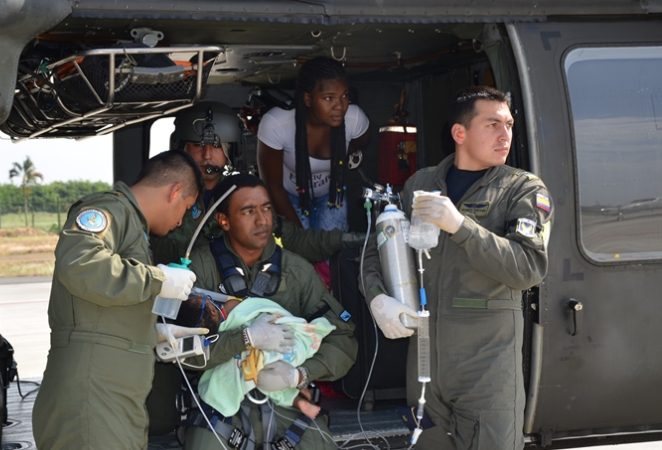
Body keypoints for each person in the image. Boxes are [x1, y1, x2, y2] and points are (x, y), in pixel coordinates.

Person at [361, 86, 554, 450]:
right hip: (423, 371)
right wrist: (376, 297)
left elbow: (528, 268)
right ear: (459, 133)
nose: (505, 135)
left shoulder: (522, 190)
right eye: (493, 124)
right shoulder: (421, 185)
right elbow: (376, 251)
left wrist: (462, 227)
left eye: (509, 124)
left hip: (486, 372)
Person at [32, 150, 207, 450]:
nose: (181, 222)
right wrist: (158, 280)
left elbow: (102, 311)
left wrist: (150, 334)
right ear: (175, 191)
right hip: (93, 397)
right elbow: (80, 264)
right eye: (187, 208)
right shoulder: (108, 211)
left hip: (112, 400)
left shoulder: (133, 229)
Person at [181, 173, 358, 450]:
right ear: (223, 220)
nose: (262, 220)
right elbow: (181, 353)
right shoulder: (198, 271)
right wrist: (245, 338)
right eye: (248, 211)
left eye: (266, 208)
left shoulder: (297, 270)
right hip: (220, 406)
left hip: (286, 401)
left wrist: (299, 374)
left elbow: (343, 340)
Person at [151, 100, 365, 267]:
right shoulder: (164, 195)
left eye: (217, 146)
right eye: (198, 145)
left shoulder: (245, 193)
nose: (207, 155)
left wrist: (357, 240)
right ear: (182, 148)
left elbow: (297, 240)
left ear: (232, 152)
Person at [257, 56, 371, 232]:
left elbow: (360, 143)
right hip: (288, 197)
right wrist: (301, 238)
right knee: (299, 254)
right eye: (328, 98)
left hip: (331, 195)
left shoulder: (354, 118)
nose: (339, 106)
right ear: (308, 99)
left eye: (344, 96)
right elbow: (273, 187)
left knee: (332, 252)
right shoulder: (277, 123)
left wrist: (343, 151)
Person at [172, 294, 330, 419]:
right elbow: (251, 306)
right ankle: (296, 386)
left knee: (263, 379)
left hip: (264, 353)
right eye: (206, 300)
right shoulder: (229, 308)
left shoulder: (213, 339)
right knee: (268, 377)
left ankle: (297, 398)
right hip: (283, 346)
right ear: (213, 311)